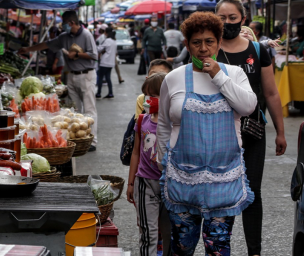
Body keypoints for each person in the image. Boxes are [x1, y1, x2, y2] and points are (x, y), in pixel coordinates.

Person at [157, 12, 258, 255]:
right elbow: (163, 124)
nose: (203, 49)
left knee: (218, 248)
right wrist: (164, 163)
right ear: (187, 45)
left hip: (224, 180)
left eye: (209, 42)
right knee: (181, 246)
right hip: (183, 178)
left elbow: (248, 107)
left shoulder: (234, 75)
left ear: (219, 42)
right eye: (196, 42)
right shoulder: (173, 78)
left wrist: (217, 76)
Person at [215, 1, 287, 255]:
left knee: (252, 191)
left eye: (232, 17)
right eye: (222, 17)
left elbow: (271, 93)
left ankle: (254, 251)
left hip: (253, 132)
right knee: (223, 190)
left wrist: (280, 131)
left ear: (243, 18)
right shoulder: (208, 49)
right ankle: (220, 247)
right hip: (218, 133)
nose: (227, 22)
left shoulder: (258, 51)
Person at [19, 11, 98, 151]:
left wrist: (78, 54)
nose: (63, 26)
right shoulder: (64, 37)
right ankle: (77, 140)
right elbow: (47, 44)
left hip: (86, 75)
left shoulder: (86, 35)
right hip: (72, 75)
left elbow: (94, 55)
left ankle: (92, 141)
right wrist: (28, 49)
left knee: (89, 109)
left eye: (64, 23)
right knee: (76, 110)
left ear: (71, 23)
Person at [127, 72, 168, 256]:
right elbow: (136, 152)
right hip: (145, 183)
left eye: (153, 96)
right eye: (147, 96)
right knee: (148, 234)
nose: (148, 100)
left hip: (170, 184)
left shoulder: (175, 123)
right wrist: (130, 183)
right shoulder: (143, 120)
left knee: (170, 234)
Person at [96, 27, 117, 99]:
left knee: (100, 77)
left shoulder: (107, 41)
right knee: (108, 78)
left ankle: (98, 93)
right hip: (111, 63)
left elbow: (99, 49)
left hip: (104, 62)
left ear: (107, 33)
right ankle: (110, 93)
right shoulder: (114, 41)